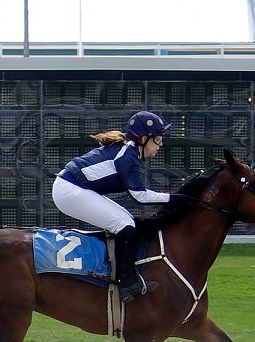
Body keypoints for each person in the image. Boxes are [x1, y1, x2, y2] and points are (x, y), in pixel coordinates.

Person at [52, 111, 181, 303]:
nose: (161, 144)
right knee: (124, 224)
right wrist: (175, 199)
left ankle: (120, 274)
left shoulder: (129, 151)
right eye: (158, 139)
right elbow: (140, 196)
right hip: (69, 190)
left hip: (71, 187)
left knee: (127, 222)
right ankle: (125, 283)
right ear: (143, 138)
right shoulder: (128, 156)